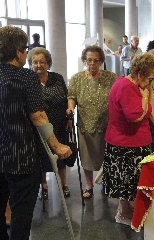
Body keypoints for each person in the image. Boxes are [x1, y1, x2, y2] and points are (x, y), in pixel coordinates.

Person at [0, 25, 71, 240]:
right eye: (25, 49)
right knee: (21, 212)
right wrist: (58, 146)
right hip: (21, 157)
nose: (27, 53)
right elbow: (39, 117)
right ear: (18, 52)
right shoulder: (26, 77)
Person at [103, 52, 154, 226]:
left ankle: (130, 212)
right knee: (127, 183)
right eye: (149, 78)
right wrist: (145, 98)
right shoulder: (127, 87)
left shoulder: (138, 86)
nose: (150, 82)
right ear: (140, 74)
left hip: (137, 142)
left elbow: (150, 113)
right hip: (125, 143)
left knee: (134, 182)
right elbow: (135, 117)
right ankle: (124, 213)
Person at [67, 45, 117, 199]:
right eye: (89, 60)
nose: (92, 64)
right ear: (84, 60)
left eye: (96, 60)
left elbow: (117, 96)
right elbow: (72, 96)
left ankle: (106, 182)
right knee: (86, 156)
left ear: (101, 61)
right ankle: (89, 186)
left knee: (107, 156)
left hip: (106, 124)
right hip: (85, 124)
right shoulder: (77, 78)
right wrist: (70, 109)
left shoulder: (111, 77)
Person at [27, 47, 71, 199]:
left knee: (61, 157)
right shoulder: (29, 80)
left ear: (48, 63)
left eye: (42, 62)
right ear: (31, 64)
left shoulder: (57, 78)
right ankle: (44, 186)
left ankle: (64, 185)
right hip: (39, 128)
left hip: (59, 124)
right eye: (35, 62)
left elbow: (66, 99)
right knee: (41, 158)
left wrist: (69, 119)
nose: (38, 65)